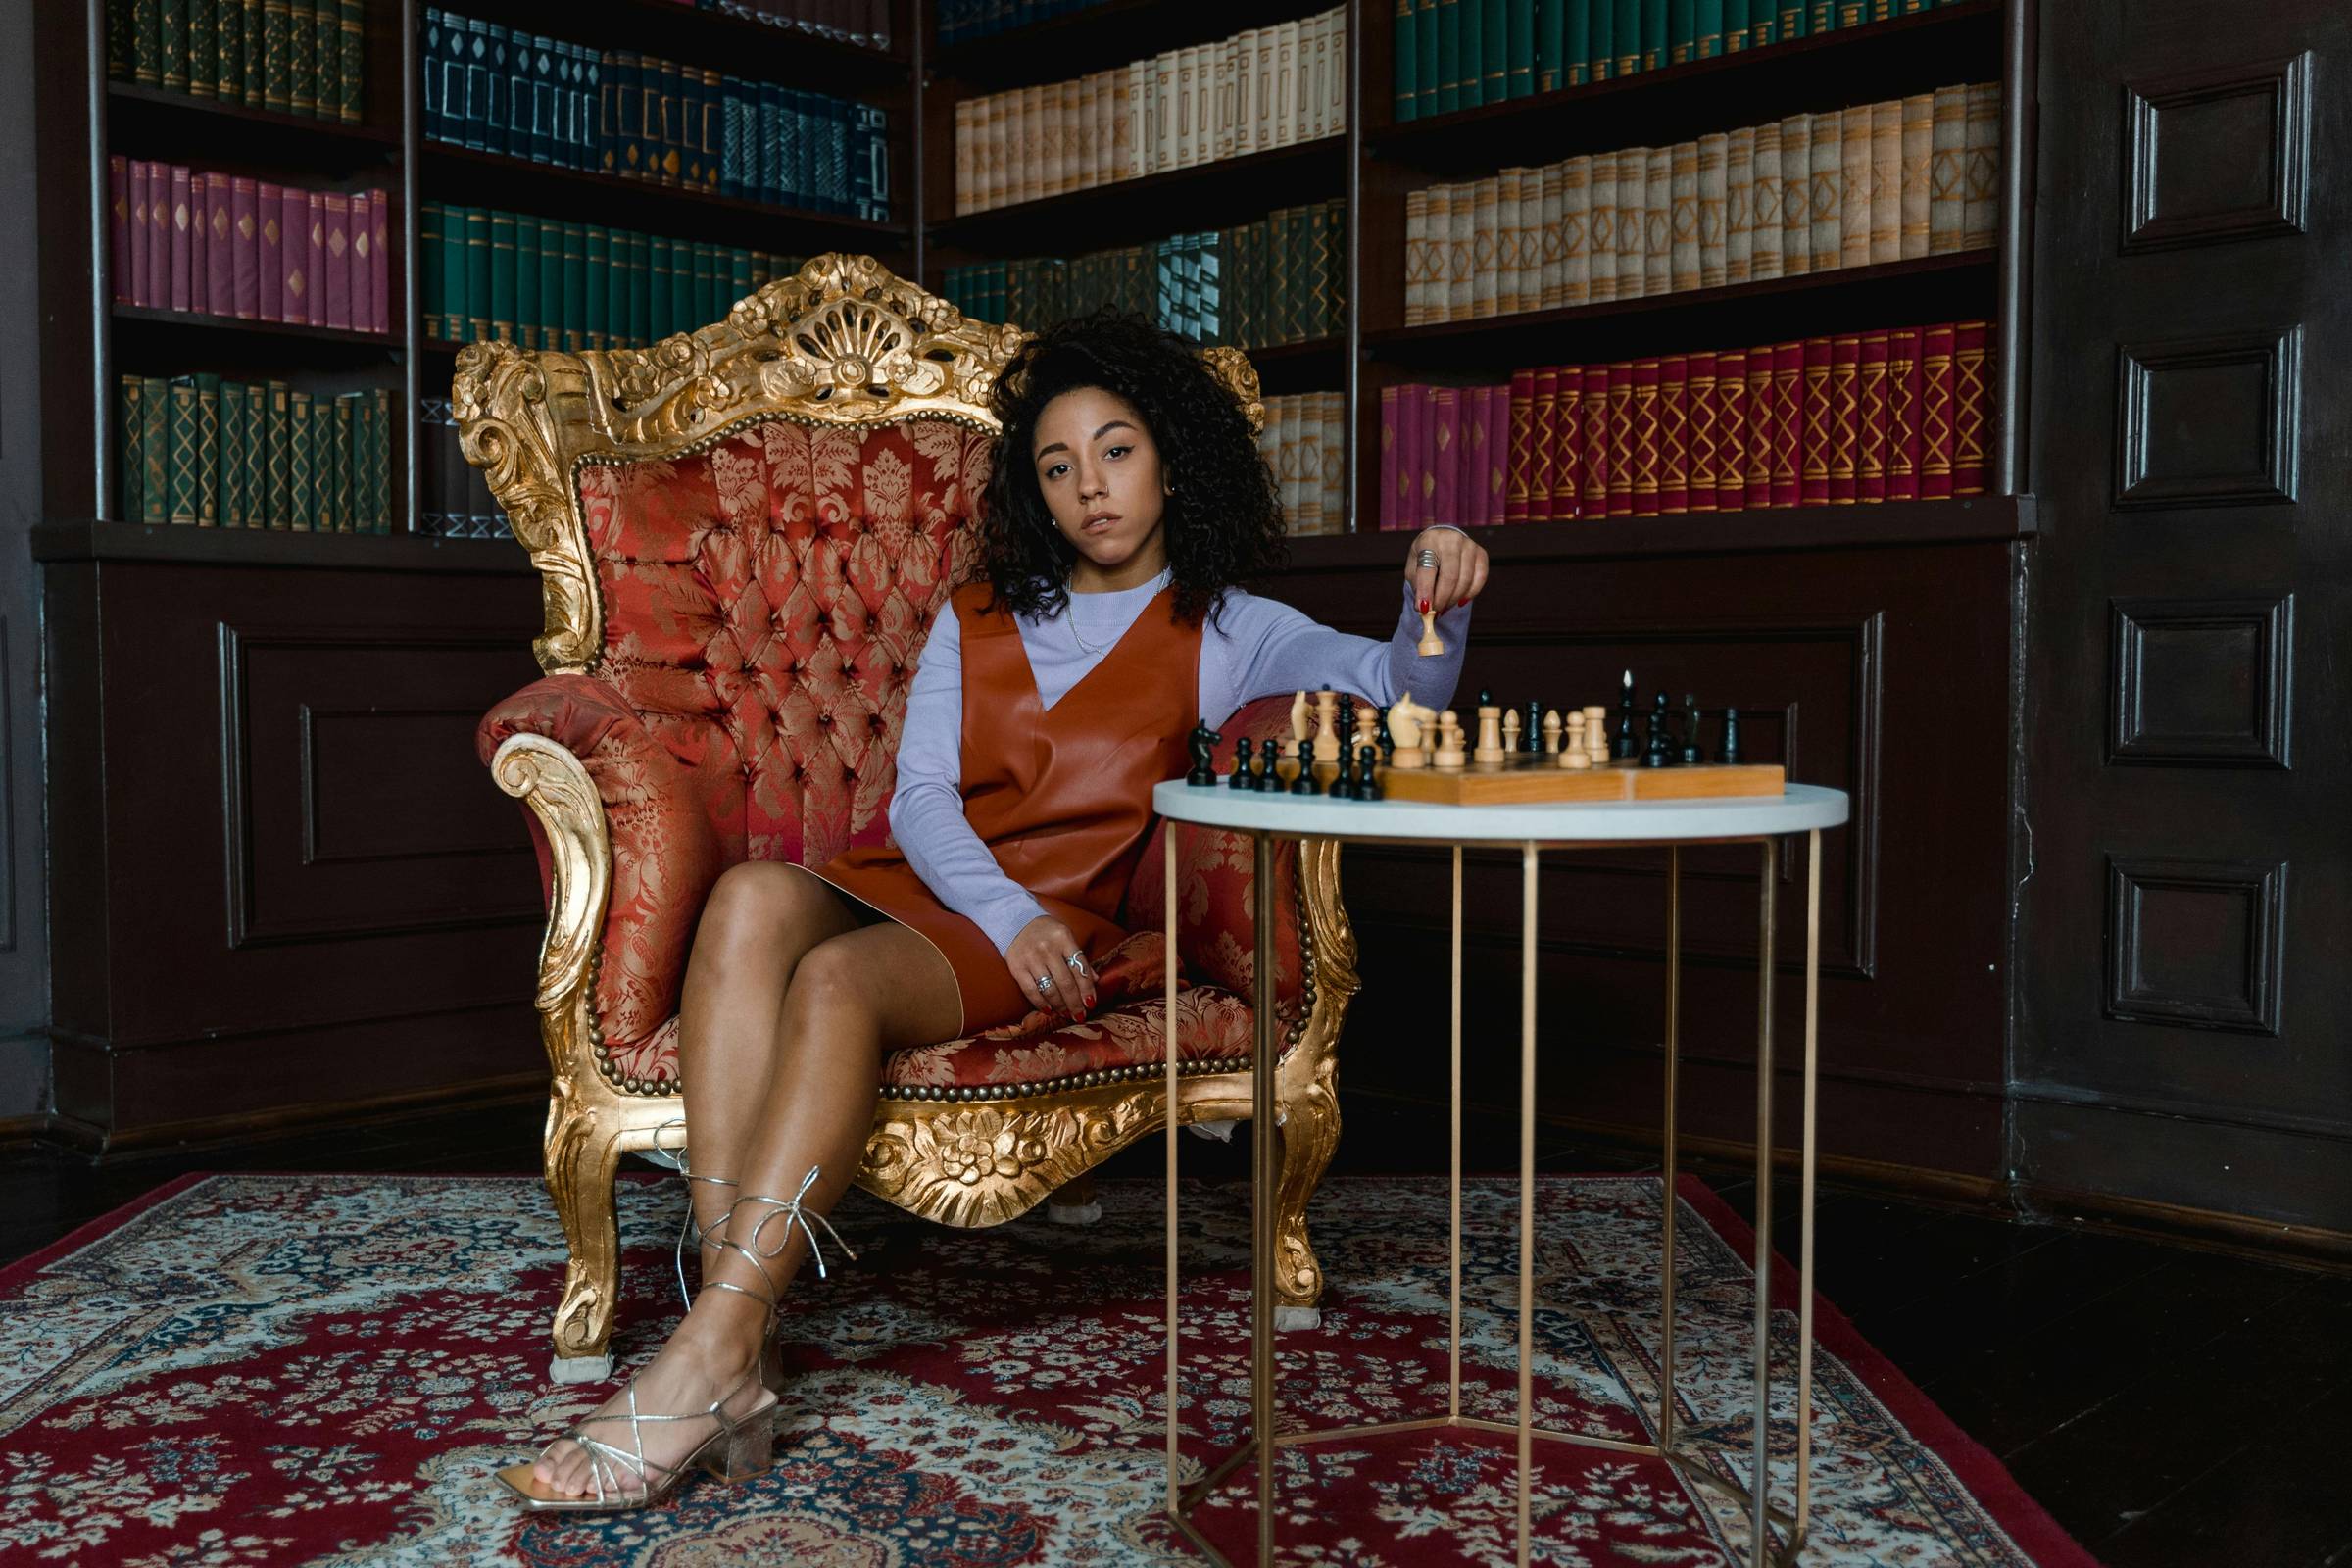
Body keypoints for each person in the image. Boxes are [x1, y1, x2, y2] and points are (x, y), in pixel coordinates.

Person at [499, 310, 1487, 1508]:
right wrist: (1001, 909)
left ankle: (709, 1353)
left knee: (836, 981)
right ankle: (735, 1339)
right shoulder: (979, 613)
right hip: (962, 885)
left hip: (1071, 923)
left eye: (1116, 451)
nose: (1091, 488)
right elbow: (918, 799)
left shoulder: (1231, 628)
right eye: (1059, 466)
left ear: (1171, 459)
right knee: (752, 893)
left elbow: (1402, 689)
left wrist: (1439, 587)